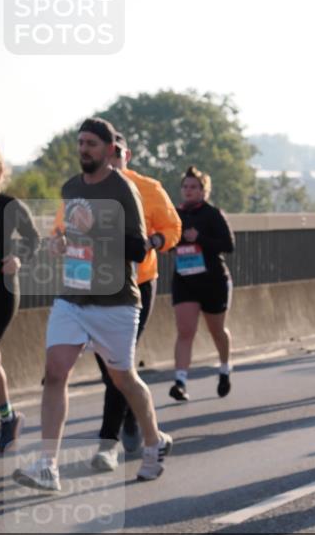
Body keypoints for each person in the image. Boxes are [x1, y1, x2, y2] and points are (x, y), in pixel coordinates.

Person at [13, 118, 171, 491]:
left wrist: (96, 229)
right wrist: (60, 244)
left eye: (92, 144)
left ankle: (153, 444)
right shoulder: (71, 187)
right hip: (73, 297)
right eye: (81, 143)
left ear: (109, 150)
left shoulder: (124, 190)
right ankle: (47, 465)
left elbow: (136, 248)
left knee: (124, 380)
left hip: (115, 302)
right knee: (55, 373)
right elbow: (69, 234)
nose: (84, 149)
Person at [91, 133, 181, 470]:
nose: (111, 159)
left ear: (125, 154)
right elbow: (62, 226)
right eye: (105, 152)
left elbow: (173, 226)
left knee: (119, 362)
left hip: (138, 284)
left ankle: (107, 443)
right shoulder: (86, 188)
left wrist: (154, 239)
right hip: (96, 285)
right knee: (111, 369)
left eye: (116, 153)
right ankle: (134, 416)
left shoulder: (148, 188)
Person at [0, 147, 39, 453]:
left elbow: (32, 239)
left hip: (1, 292)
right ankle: (8, 418)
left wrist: (19, 258)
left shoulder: (9, 205)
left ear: (0, 171)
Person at [169, 166, 236, 401]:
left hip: (213, 280)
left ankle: (225, 368)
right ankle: (180, 382)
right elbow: (166, 242)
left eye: (194, 187)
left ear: (203, 191)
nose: (188, 191)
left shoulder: (213, 214)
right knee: (185, 331)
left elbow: (229, 245)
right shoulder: (174, 215)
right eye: (185, 187)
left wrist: (200, 238)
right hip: (185, 280)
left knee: (216, 330)